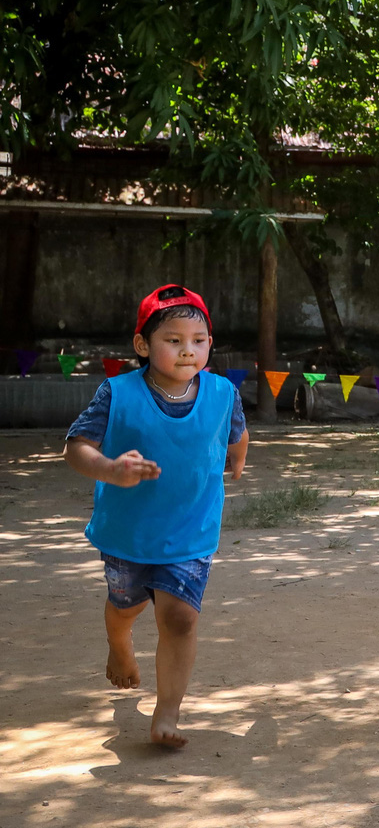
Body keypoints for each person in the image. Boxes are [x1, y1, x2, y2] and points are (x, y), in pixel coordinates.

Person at [63, 285, 247, 748]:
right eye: (173, 339)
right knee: (127, 605)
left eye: (199, 339)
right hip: (128, 534)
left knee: (181, 619)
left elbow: (236, 433)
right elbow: (75, 447)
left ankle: (167, 713)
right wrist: (108, 468)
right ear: (142, 345)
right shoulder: (117, 392)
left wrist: (238, 459)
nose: (189, 349)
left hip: (191, 532)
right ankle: (119, 643)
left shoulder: (223, 392)